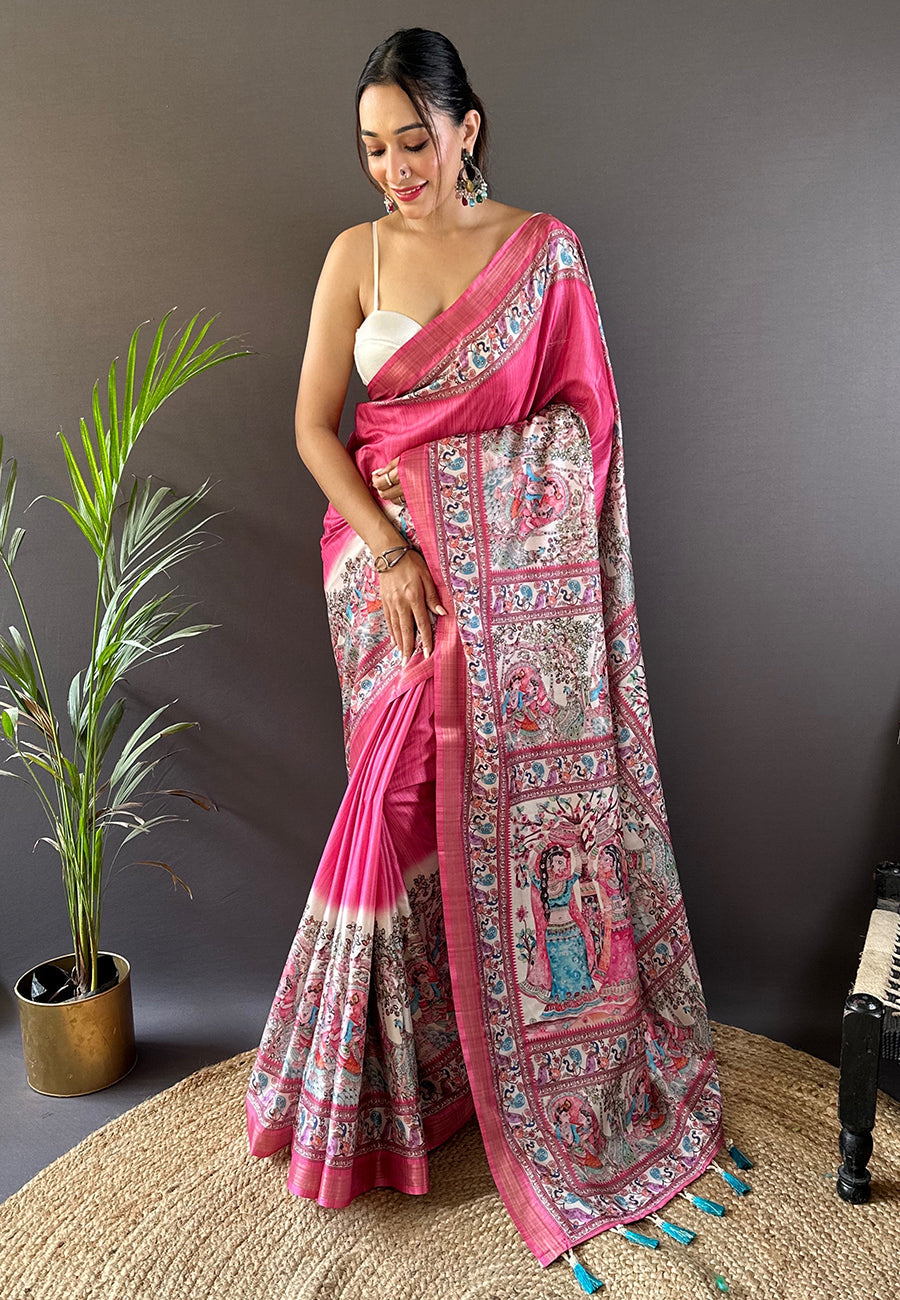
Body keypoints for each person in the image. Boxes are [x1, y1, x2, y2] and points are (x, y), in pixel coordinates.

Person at [245, 26, 723, 1279]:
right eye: (373, 148)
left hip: (511, 599)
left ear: (468, 128)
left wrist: (472, 520)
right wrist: (395, 550)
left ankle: (443, 1084)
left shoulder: (544, 253)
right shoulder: (354, 256)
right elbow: (313, 427)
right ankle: (385, 1101)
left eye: (415, 140)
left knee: (442, 812)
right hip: (383, 573)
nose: (395, 169)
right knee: (396, 807)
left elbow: (583, 430)